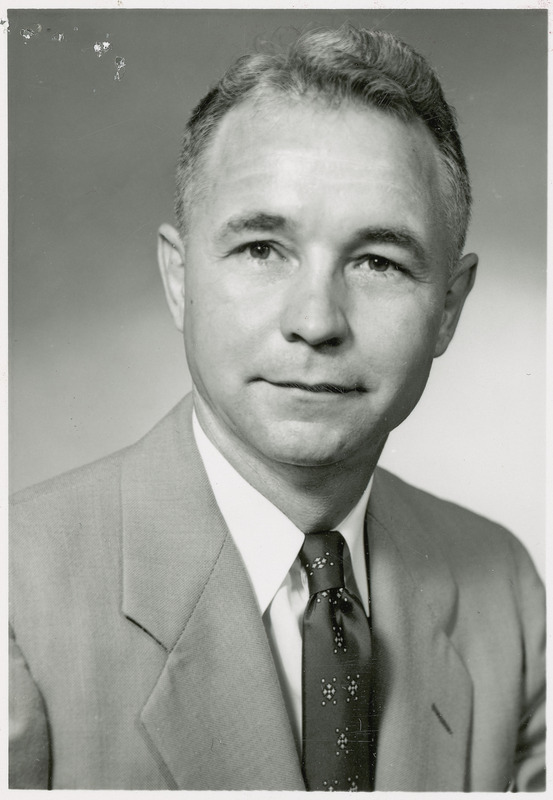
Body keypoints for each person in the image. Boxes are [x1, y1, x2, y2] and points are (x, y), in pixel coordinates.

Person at [9, 24, 545, 791]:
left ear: (449, 309)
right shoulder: (18, 597)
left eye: (377, 261)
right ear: (179, 278)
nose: (316, 320)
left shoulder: (507, 595)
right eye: (262, 248)